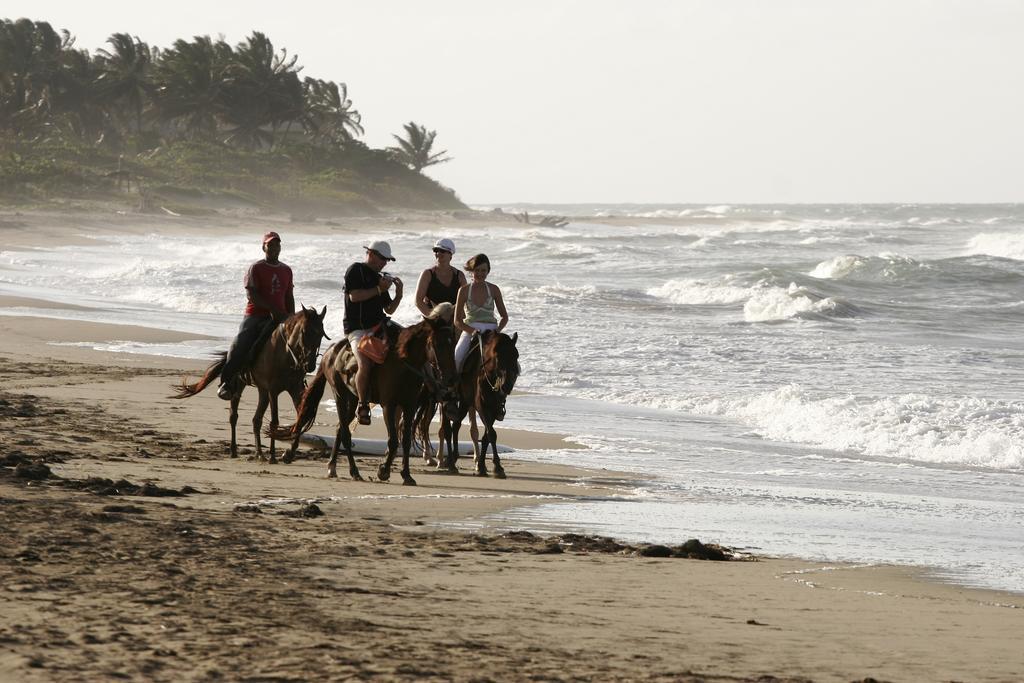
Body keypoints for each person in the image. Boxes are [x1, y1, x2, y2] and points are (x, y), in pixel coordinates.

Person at [218, 231, 294, 399]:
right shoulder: (256, 268)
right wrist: (271, 309)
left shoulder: (286, 270)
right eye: (271, 245)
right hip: (256, 315)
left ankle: (297, 378)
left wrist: (292, 317)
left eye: (277, 244)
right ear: (263, 247)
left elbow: (289, 296)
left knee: (299, 344)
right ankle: (227, 382)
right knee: (241, 343)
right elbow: (252, 295)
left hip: (280, 316)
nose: (274, 248)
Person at [343, 240, 403, 425]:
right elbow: (354, 297)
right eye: (382, 259)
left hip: (380, 325)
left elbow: (389, 309)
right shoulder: (356, 270)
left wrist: (399, 294)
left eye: (387, 260)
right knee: (365, 363)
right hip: (358, 328)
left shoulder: (380, 277)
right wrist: (379, 289)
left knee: (411, 342)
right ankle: (362, 404)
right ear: (371, 254)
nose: (384, 263)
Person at [453, 253, 509, 373]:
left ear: (488, 271)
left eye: (483, 270)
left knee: (510, 360)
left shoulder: (494, 289)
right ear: (471, 271)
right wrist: (472, 331)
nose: (480, 274)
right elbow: (457, 321)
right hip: (471, 329)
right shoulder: (463, 290)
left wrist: (497, 331)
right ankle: (454, 388)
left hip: (492, 330)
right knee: (457, 357)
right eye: (477, 270)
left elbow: (504, 317)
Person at [414, 238, 467, 316]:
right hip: (432, 318)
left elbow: (465, 301)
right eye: (436, 250)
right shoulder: (427, 274)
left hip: (453, 319)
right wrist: (434, 317)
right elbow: (418, 301)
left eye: (442, 251)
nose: (438, 253)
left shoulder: (459, 275)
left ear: (450, 254)